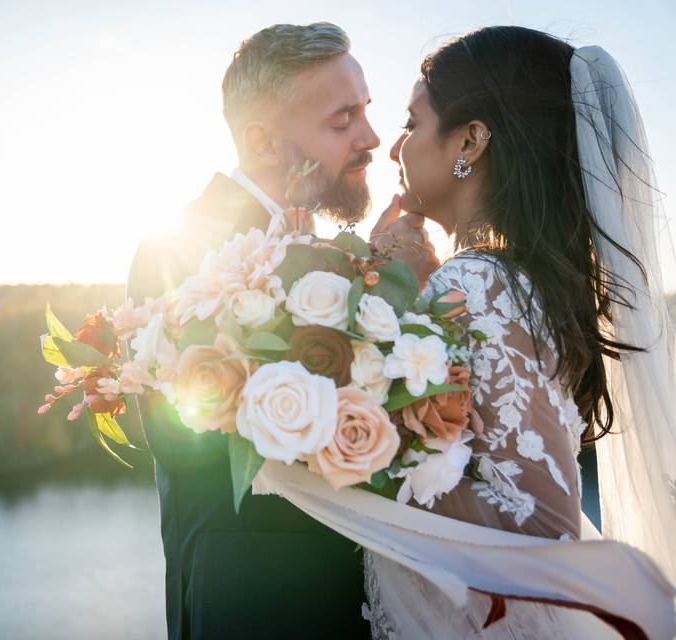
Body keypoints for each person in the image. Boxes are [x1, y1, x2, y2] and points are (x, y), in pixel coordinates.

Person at [255, 26, 676, 638]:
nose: (394, 145)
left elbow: (542, 523)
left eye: (411, 121)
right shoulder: (500, 282)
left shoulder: (475, 286)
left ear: (472, 140)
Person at [126, 23, 438, 640]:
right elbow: (199, 443)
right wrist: (387, 292)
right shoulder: (185, 249)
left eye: (367, 112)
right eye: (342, 119)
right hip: (255, 602)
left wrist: (375, 279)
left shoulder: (318, 250)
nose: (373, 139)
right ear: (264, 141)